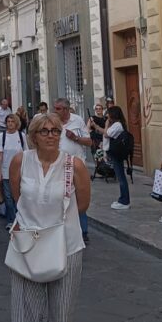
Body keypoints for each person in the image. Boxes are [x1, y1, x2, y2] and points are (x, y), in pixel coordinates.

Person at [8, 113, 91, 322]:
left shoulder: (75, 166)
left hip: (66, 245)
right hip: (28, 244)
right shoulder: (20, 161)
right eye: (44, 131)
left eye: (55, 131)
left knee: (61, 313)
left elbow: (82, 204)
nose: (51, 136)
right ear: (34, 136)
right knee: (27, 312)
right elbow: (18, 197)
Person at [54, 97, 92, 242]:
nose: (55, 111)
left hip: (77, 167)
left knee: (79, 198)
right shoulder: (53, 122)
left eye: (58, 108)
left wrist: (75, 138)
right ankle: (62, 228)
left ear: (66, 109)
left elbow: (89, 142)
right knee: (60, 198)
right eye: (55, 108)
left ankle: (83, 231)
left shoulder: (77, 121)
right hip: (58, 166)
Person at [0, 113, 27, 231]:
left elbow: (26, 153)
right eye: (8, 122)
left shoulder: (21, 136)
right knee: (8, 197)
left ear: (16, 123)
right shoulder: (1, 136)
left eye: (12, 121)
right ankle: (11, 220)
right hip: (6, 170)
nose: (10, 124)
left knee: (18, 196)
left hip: (19, 171)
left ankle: (20, 219)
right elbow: (0, 154)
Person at [104, 106, 131, 210]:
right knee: (120, 176)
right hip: (116, 153)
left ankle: (124, 201)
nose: (107, 116)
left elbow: (106, 134)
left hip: (117, 153)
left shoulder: (117, 125)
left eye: (109, 114)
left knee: (121, 177)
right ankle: (123, 199)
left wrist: (106, 125)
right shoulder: (117, 124)